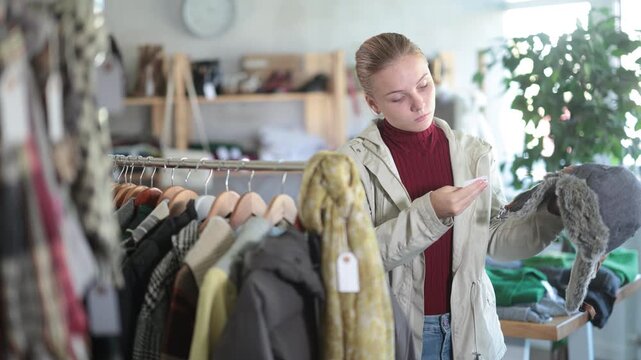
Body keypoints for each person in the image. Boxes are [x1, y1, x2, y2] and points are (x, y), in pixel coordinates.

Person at [338, 32, 564, 360]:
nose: (418, 103)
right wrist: (430, 213)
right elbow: (352, 259)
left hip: (473, 333)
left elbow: (497, 239)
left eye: (424, 84)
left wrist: (555, 212)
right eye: (398, 97)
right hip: (396, 337)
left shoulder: (474, 154)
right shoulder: (349, 165)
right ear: (373, 104)